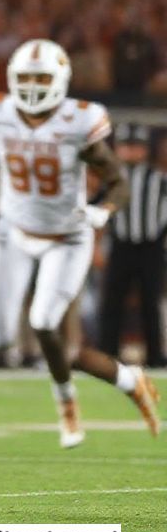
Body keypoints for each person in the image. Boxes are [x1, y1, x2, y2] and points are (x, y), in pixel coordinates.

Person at [0, 39, 161, 452]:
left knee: (43, 320)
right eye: (26, 78)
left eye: (42, 78)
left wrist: (101, 212)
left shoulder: (80, 120)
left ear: (61, 80)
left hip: (67, 238)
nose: (34, 86)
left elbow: (118, 182)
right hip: (11, 231)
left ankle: (63, 406)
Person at [99, 123, 167, 368]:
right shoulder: (111, 180)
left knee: (151, 302)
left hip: (151, 247)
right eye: (126, 147)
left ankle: (155, 357)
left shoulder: (158, 179)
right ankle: (107, 354)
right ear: (117, 149)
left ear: (145, 150)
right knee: (112, 301)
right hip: (120, 245)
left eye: (136, 147)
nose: (131, 152)